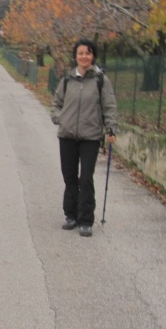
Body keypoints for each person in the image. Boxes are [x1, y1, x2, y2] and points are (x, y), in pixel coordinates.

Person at [51, 38, 118, 237]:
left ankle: (86, 219)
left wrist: (111, 128)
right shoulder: (67, 80)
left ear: (93, 56)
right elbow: (56, 104)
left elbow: (109, 106)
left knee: (86, 178)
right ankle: (70, 215)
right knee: (69, 176)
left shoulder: (100, 80)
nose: (84, 57)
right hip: (67, 135)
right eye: (81, 53)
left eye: (88, 53)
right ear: (75, 56)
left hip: (90, 136)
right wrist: (59, 118)